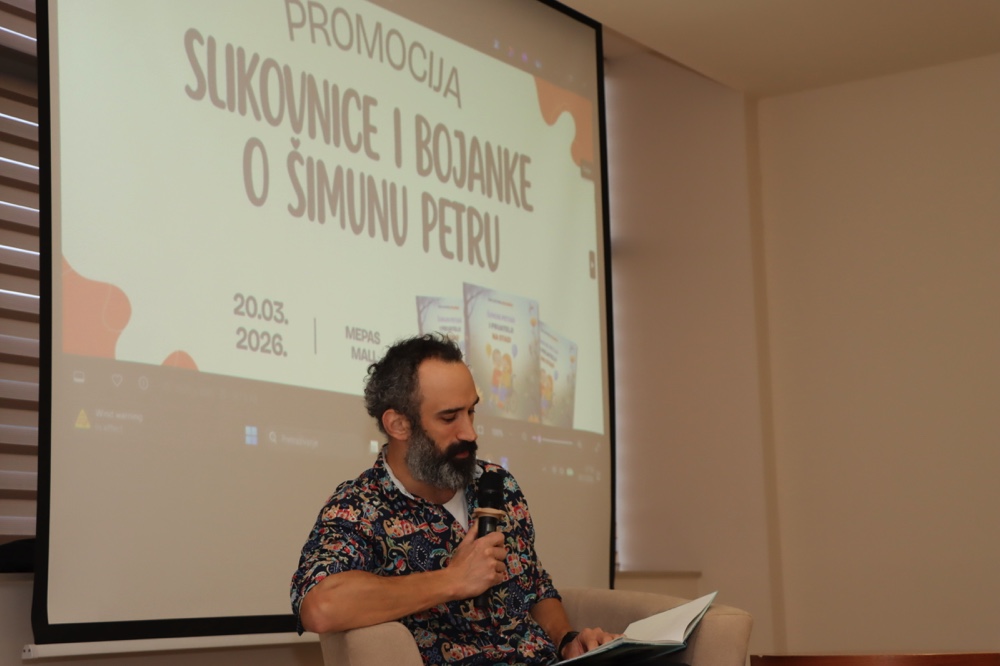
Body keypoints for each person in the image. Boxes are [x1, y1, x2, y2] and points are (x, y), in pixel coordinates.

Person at [290, 333, 617, 664]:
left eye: (471, 412)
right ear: (399, 424)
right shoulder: (360, 506)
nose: (470, 433)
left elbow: (535, 587)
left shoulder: (498, 484)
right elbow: (320, 606)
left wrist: (566, 640)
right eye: (449, 418)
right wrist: (452, 579)